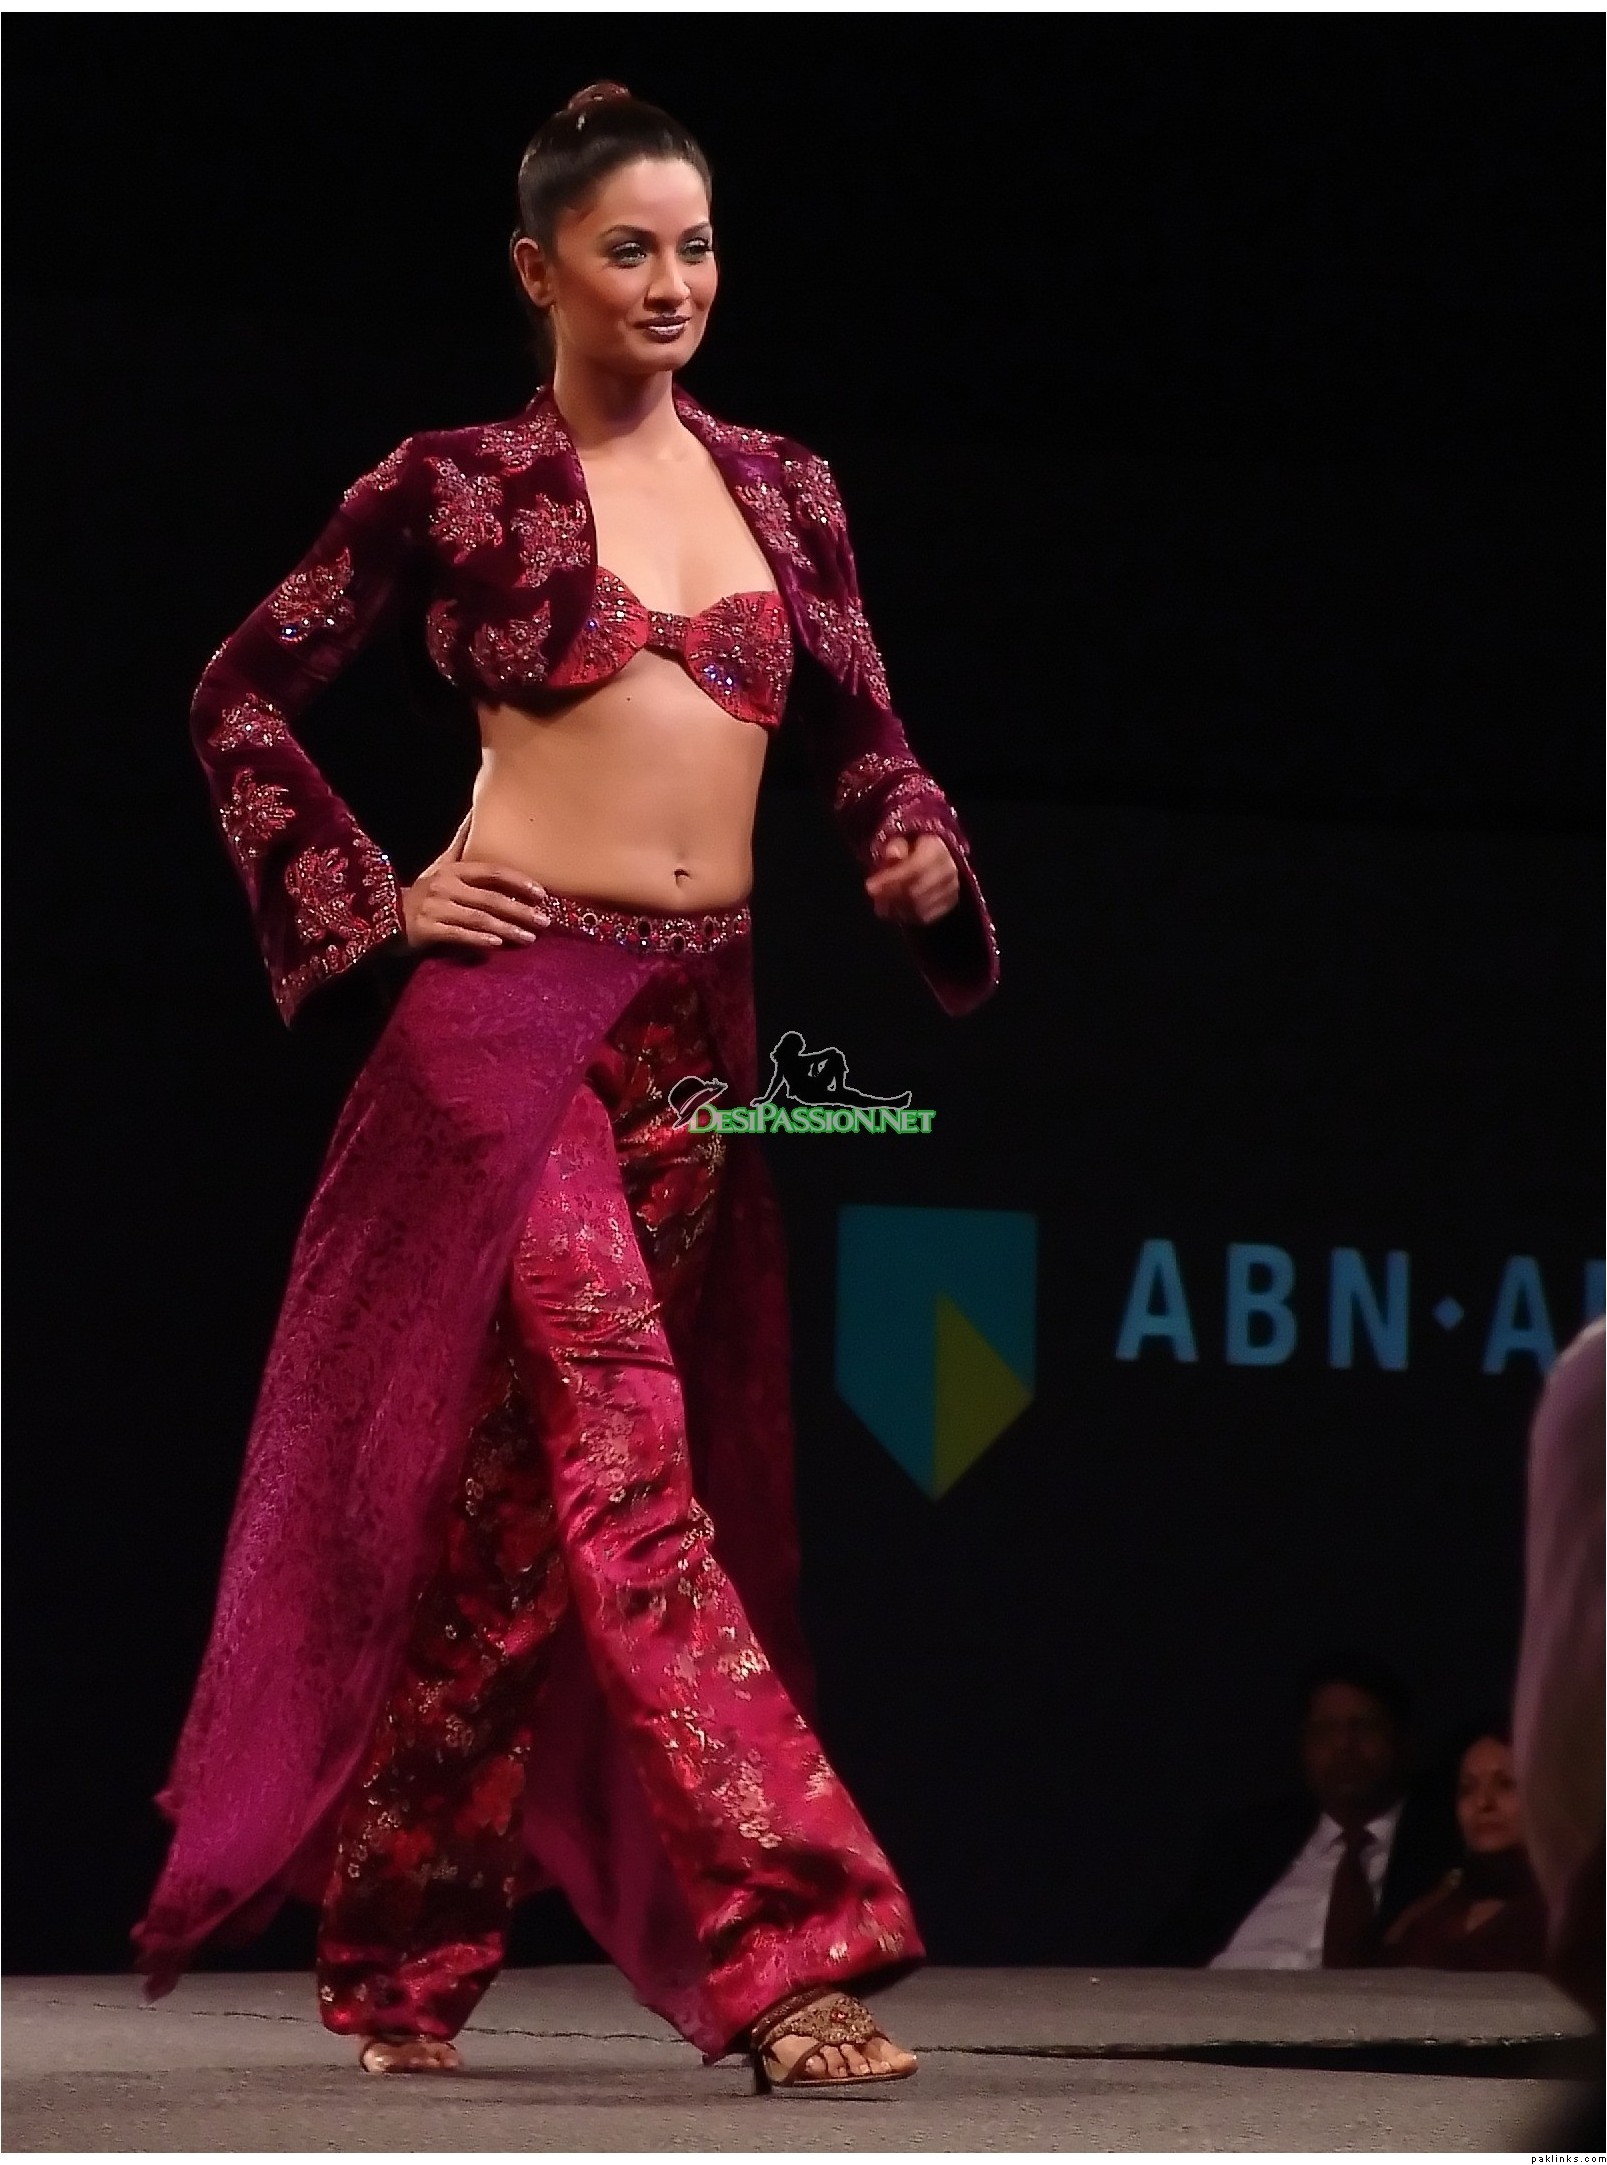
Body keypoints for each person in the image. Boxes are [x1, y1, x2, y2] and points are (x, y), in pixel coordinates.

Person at [132, 82, 1000, 2095]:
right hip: (507, 1024)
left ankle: (400, 1944)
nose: (672, 282)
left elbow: (867, 737)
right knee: (624, 1459)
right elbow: (238, 692)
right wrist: (377, 898)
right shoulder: (454, 487)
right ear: (539, 269)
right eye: (629, 250)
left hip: (701, 1037)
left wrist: (914, 851)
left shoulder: (785, 488)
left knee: (519, 1523)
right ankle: (793, 1948)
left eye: (695, 246)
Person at [1143, 1652, 1456, 1968]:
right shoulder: (1247, 1843)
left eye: (1363, 1727)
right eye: (1325, 1729)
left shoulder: (1444, 1840)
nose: (1343, 1744)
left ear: (1403, 1741)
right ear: (1304, 1745)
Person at [1379, 1726, 1549, 1970]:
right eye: (1467, 1789)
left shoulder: (1573, 1914)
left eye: (1505, 1784)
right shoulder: (1431, 1909)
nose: (1482, 1802)